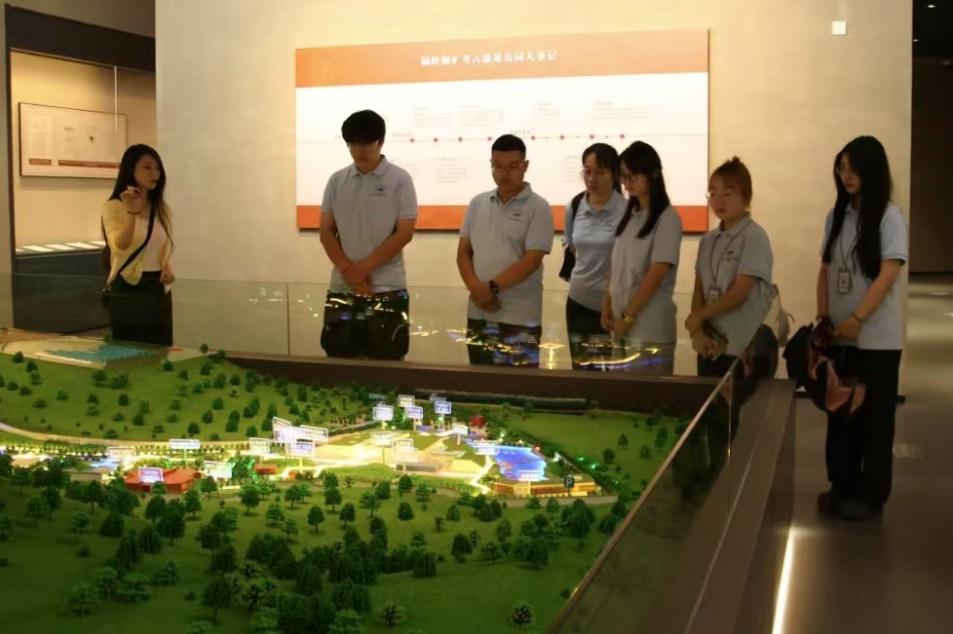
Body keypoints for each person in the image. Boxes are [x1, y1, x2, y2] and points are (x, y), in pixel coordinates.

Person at [815, 135, 907, 521]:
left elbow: (888, 274)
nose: (846, 176)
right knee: (842, 416)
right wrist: (824, 318)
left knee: (874, 420)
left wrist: (857, 320)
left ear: (872, 170)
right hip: (841, 337)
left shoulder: (888, 216)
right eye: (842, 168)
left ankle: (871, 497)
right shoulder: (836, 215)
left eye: (853, 169)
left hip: (877, 340)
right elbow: (826, 270)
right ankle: (843, 486)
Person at [319, 110, 418, 360]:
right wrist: (350, 273)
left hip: (387, 287)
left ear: (380, 142)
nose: (359, 150)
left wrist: (363, 269)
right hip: (342, 287)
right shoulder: (337, 180)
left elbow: (404, 233)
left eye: (366, 143)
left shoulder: (400, 180)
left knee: (386, 365)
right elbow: (326, 232)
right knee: (339, 363)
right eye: (353, 144)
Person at [457, 134, 553, 367]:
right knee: (479, 380)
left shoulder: (539, 207)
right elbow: (464, 253)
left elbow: (532, 260)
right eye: (497, 166)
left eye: (512, 166)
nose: (504, 173)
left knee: (518, 384)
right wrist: (476, 290)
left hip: (519, 316)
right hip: (478, 312)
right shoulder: (477, 203)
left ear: (525, 166)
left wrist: (490, 289)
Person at [686, 157, 774, 377]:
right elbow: (699, 290)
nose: (719, 201)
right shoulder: (707, 240)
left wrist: (698, 316)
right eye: (713, 193)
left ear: (746, 195)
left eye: (727, 193)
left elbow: (739, 293)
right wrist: (697, 332)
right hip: (710, 346)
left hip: (742, 349)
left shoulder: (754, 236)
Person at [601, 141, 683, 374]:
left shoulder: (667, 218)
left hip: (649, 330)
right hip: (622, 325)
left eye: (633, 176)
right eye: (624, 177)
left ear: (653, 174)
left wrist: (627, 318)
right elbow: (616, 265)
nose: (627, 184)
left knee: (646, 393)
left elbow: (656, 275)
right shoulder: (630, 214)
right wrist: (606, 303)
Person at [101, 144, 175, 346]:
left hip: (158, 289)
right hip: (129, 288)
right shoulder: (113, 207)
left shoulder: (161, 208)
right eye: (147, 167)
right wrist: (132, 212)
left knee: (160, 349)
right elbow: (120, 246)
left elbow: (160, 245)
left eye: (157, 168)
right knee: (129, 351)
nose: (155, 173)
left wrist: (166, 266)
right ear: (130, 169)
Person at [562, 143, 627, 369]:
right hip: (577, 301)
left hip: (612, 306)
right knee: (581, 370)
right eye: (587, 171)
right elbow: (573, 248)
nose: (591, 179)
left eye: (600, 172)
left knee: (606, 373)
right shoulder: (574, 206)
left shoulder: (627, 210)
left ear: (615, 174)